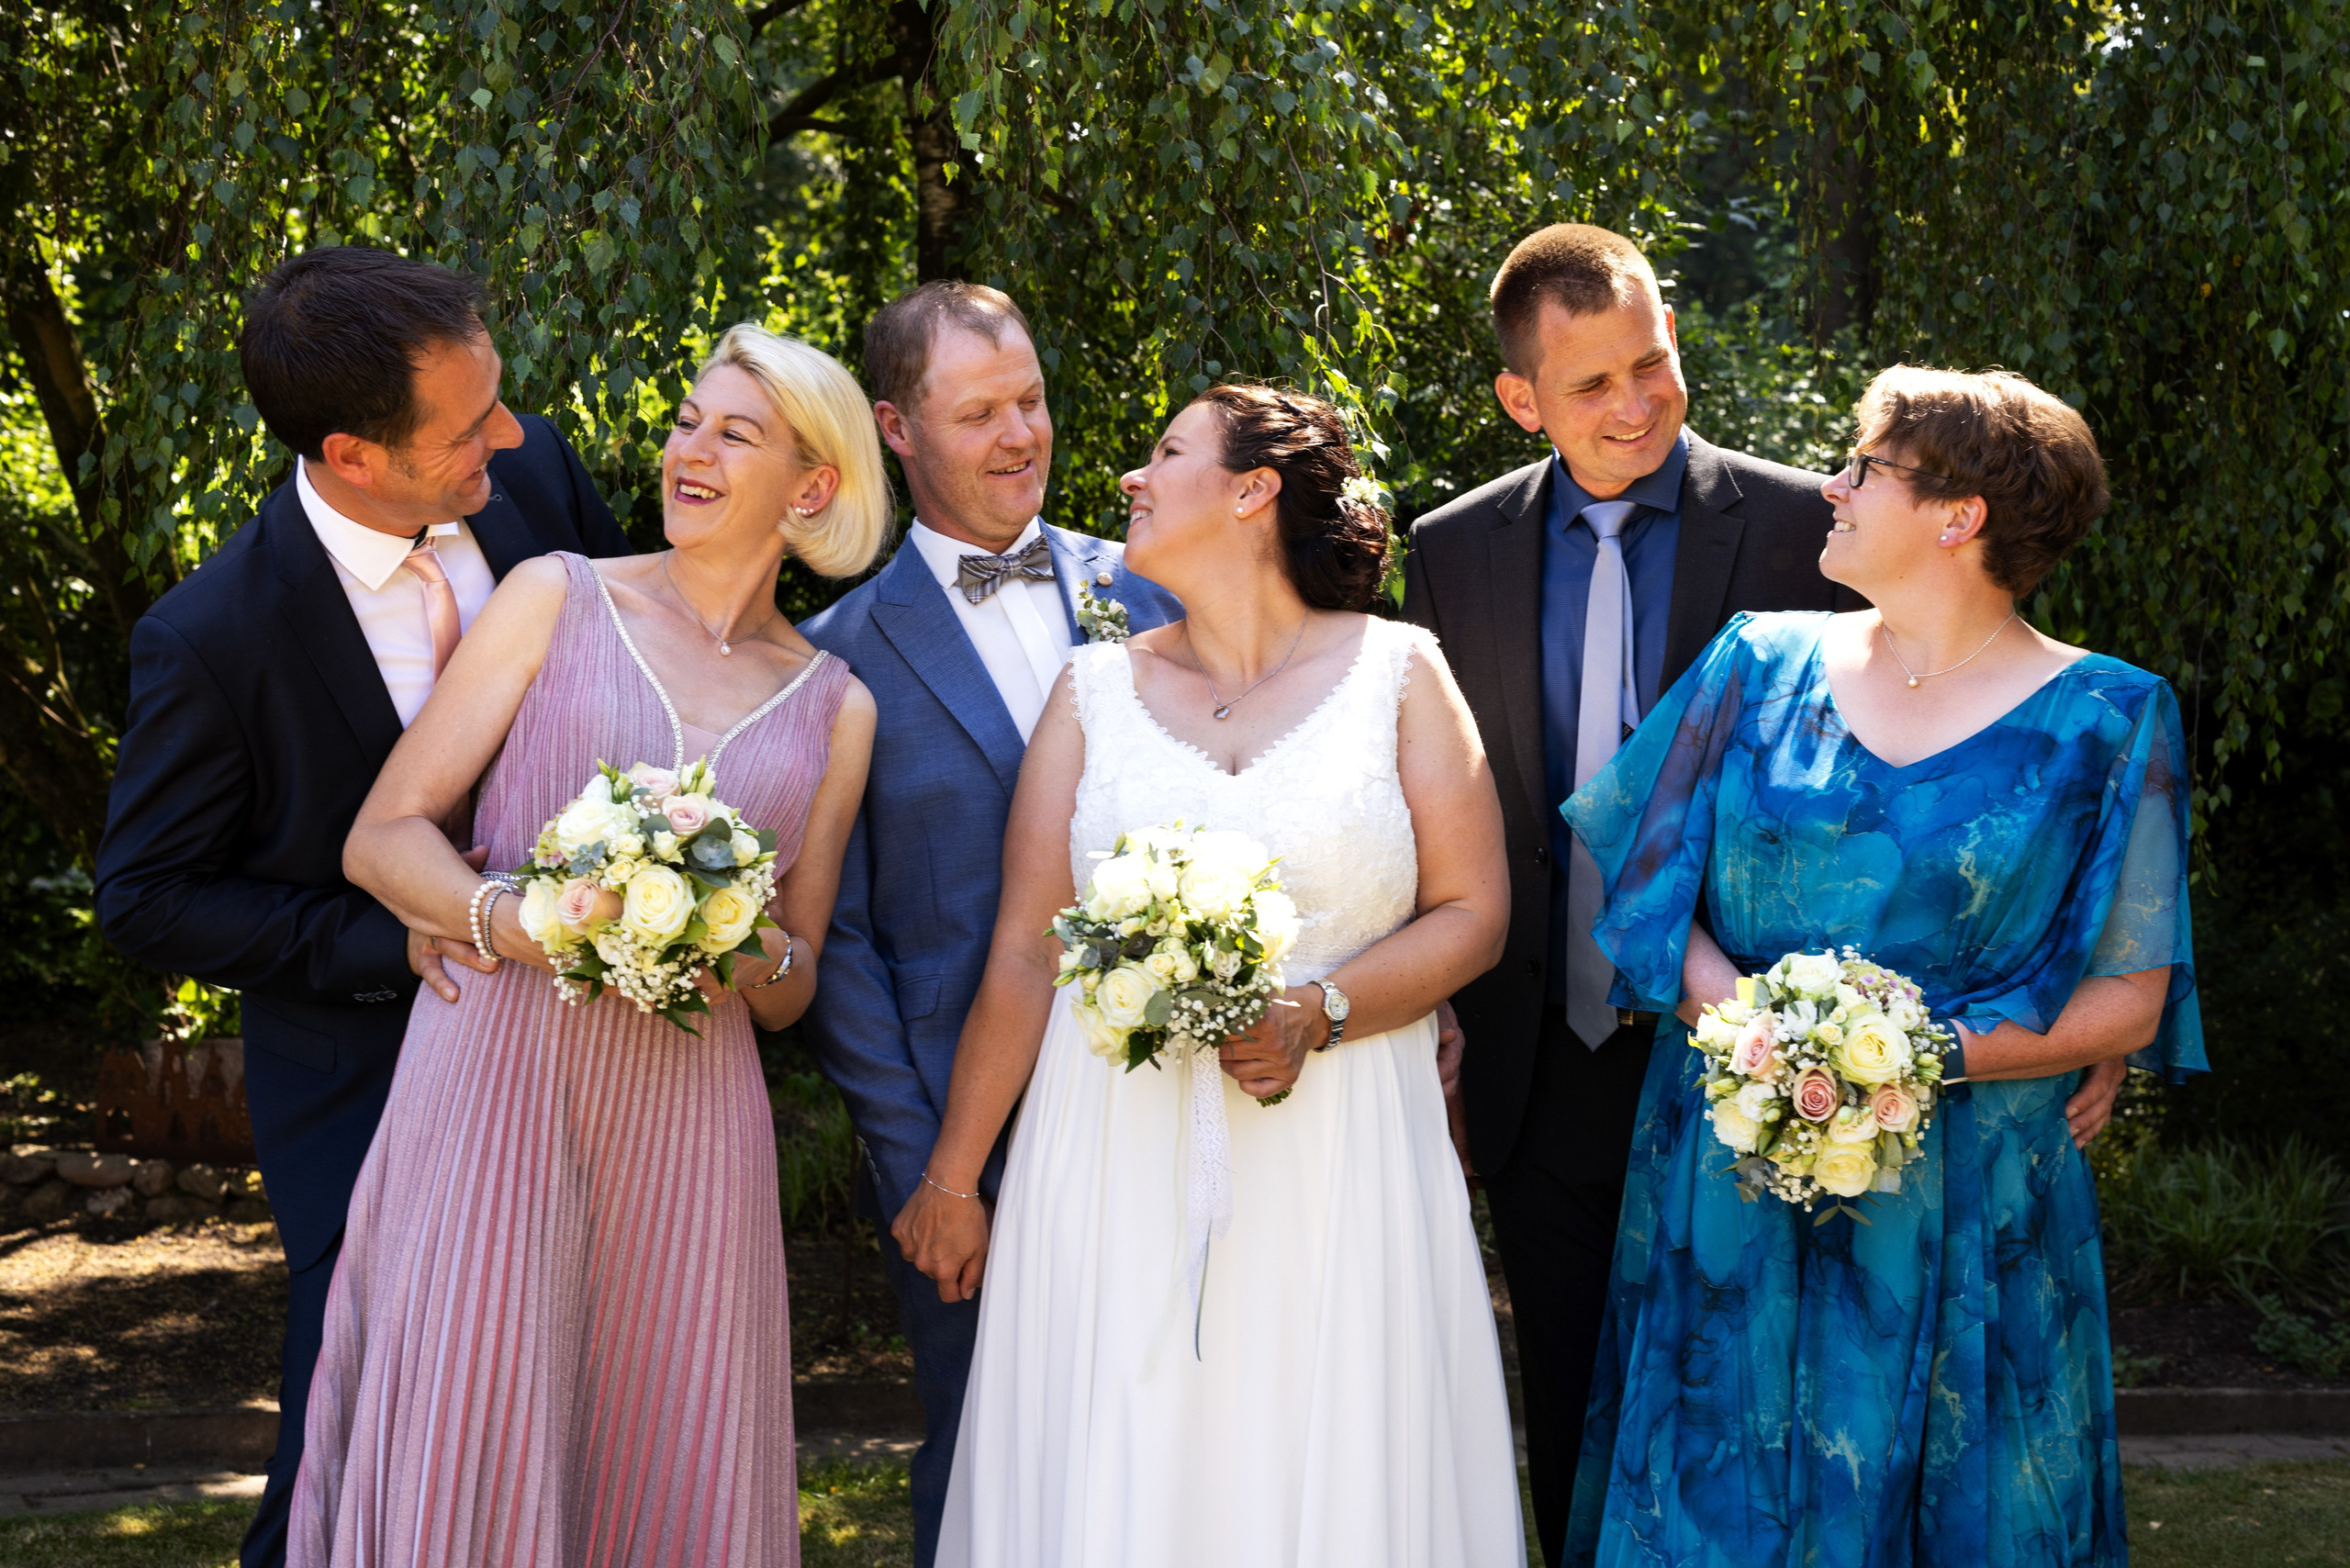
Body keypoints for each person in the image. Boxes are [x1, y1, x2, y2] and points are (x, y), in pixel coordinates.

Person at [1396, 223, 2131, 1565]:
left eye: (1651, 366)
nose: (1634, 405)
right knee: (1601, 1421)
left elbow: (2011, 830)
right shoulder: (1451, 551)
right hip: (1543, 1058)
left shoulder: (1816, 527)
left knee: (1854, 1438)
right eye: (1592, 385)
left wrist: (2020, 1039)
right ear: (1523, 399)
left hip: (1781, 1083)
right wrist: (1437, 1001)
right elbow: (1449, 800)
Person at [1561, 366, 2206, 1566]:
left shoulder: (2112, 721)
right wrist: (1773, 1040)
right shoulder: (1755, 664)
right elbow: (1650, 886)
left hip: (1978, 1199)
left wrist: (1913, 1058)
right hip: (1743, 1172)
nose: (1833, 484)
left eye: (1864, 467)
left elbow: (2133, 992)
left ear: (1959, 516)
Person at [895, 384, 1525, 1566]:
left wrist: (1318, 1010)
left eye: (1165, 451)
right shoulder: (1090, 696)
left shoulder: (1400, 670)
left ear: (1253, 492)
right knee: (1127, 1450)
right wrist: (955, 1174)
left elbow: (1474, 912)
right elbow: (1030, 955)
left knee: (1324, 1450)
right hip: (1111, 1155)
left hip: (1342, 1154)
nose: (1131, 477)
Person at [286, 324, 884, 1565]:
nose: (690, 449)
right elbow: (383, 839)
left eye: (736, 432)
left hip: (688, 1120)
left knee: (668, 1432)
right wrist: (514, 919)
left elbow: (795, 982)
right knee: (475, 1407)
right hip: (499, 1076)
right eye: (684, 420)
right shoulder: (554, 593)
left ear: (813, 487)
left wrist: (736, 939)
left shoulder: (839, 707)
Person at [92, 246, 632, 1568]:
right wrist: (386, 937)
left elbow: (643, 668)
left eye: (501, 401)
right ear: (352, 453)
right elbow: (148, 899)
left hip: (592, 1051)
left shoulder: (536, 483)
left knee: (589, 1399)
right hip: (365, 1079)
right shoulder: (215, 635)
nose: (510, 438)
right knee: (352, 1432)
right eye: (468, 429)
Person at [798, 280, 1180, 1566]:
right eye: (980, 414)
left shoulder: (1154, 590)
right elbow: (840, 947)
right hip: (974, 1149)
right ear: (898, 430)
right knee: (987, 1467)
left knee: (1177, 1453)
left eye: (1032, 401)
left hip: (1178, 1112)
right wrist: (926, 1174)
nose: (1021, 435)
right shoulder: (834, 656)